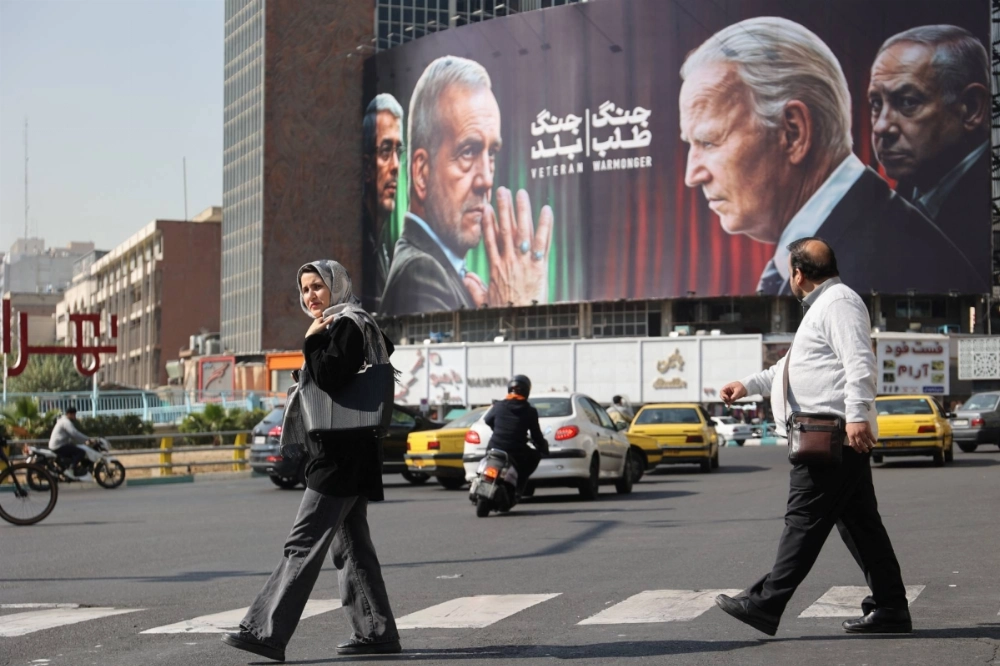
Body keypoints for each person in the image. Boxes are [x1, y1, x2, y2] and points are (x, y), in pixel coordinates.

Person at [679, 17, 982, 297]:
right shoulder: (852, 238)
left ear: (793, 132)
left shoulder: (889, 262)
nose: (692, 175)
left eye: (708, 141)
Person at [716, 238, 911, 637]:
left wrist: (857, 415)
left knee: (803, 521)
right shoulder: (822, 307)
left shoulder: (838, 302)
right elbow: (787, 369)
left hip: (828, 437)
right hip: (831, 436)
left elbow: (860, 360)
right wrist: (747, 384)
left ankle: (766, 603)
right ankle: (890, 607)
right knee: (861, 526)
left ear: (798, 274)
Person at [222, 260, 401, 662]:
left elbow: (330, 375)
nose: (311, 296)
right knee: (352, 549)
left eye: (318, 286)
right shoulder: (346, 324)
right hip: (347, 455)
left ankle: (265, 631)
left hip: (339, 459)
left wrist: (310, 341)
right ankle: (376, 632)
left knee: (302, 544)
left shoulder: (349, 324)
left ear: (336, 286)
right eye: (304, 290)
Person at [380, 55, 554, 316]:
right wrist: (516, 309)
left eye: (491, 153)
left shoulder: (443, 270)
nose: (486, 180)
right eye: (468, 152)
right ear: (421, 173)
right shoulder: (420, 274)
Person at [869, 25, 989, 270]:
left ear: (971, 108)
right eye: (875, 103)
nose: (881, 126)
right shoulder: (899, 197)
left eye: (908, 102)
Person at [362, 93, 405, 306]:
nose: (396, 165)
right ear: (367, 167)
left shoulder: (383, 252)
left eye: (399, 151)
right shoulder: (356, 249)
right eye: (386, 151)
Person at [483, 375, 549, 493]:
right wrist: (543, 447)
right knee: (534, 457)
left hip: (494, 445)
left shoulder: (498, 406)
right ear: (527, 391)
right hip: (516, 450)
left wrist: (497, 429)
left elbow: (487, 420)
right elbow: (536, 435)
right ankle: (518, 488)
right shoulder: (530, 411)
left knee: (486, 458)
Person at [47, 407, 92, 481]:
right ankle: (70, 470)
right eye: (74, 414)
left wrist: (82, 441)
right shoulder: (66, 422)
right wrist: (88, 439)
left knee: (74, 449)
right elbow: (74, 433)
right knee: (81, 452)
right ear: (69, 414)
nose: (75, 416)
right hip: (58, 446)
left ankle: (70, 468)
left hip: (57, 445)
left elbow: (70, 436)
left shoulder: (62, 421)